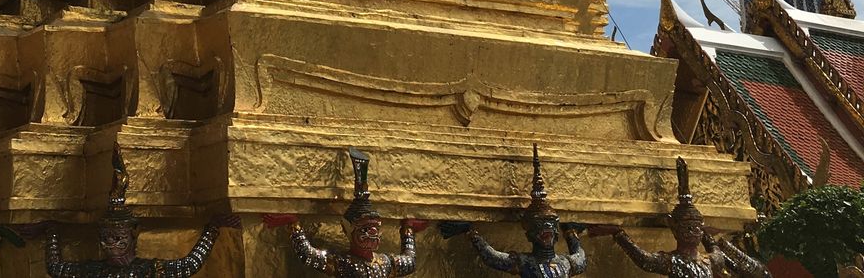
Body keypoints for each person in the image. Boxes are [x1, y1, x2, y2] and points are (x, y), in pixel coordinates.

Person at [44, 144, 239, 277]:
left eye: (117, 236)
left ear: (133, 232)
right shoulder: (93, 271)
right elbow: (56, 268)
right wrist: (50, 230)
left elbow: (189, 265)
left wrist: (212, 228)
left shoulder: (149, 270)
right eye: (106, 237)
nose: (110, 243)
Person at [589, 158, 769, 278]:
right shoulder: (673, 261)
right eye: (687, 227)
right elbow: (644, 260)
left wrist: (709, 236)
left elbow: (718, 251)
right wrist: (619, 234)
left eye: (696, 227)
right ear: (673, 227)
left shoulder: (710, 260)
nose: (693, 231)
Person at [265, 147, 428, 278]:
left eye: (376, 228)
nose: (372, 232)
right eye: (365, 228)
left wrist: (408, 230)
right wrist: (294, 224)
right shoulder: (343, 262)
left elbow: (410, 261)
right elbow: (308, 255)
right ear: (349, 229)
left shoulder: (385, 263)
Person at [440, 145, 587, 278]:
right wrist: (470, 232)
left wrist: (571, 233)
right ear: (529, 234)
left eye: (550, 224)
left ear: (556, 230)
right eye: (540, 225)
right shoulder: (525, 262)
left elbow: (580, 258)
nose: (546, 228)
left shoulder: (565, 263)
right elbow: (492, 257)